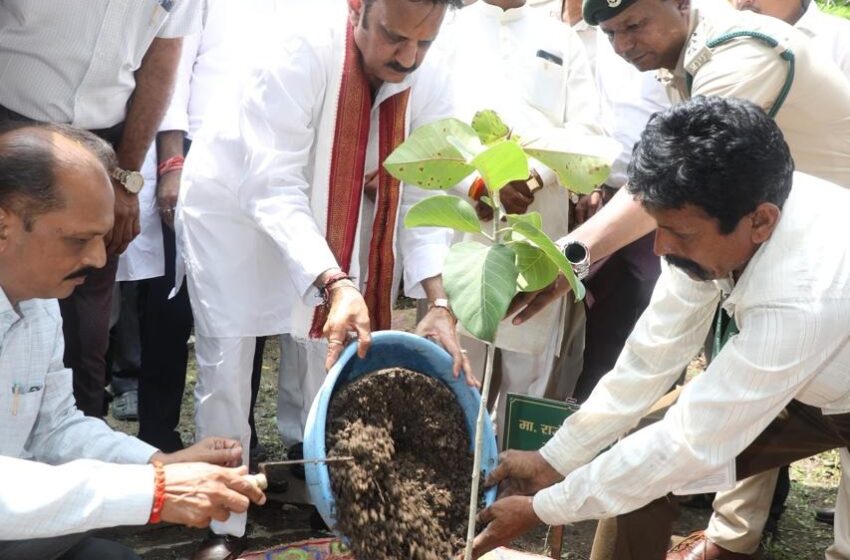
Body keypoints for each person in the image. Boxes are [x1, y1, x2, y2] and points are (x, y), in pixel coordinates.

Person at [470, 95, 850, 560]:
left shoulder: (804, 295)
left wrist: (542, 509)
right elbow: (652, 355)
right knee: (640, 469)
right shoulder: (708, 218)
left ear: (761, 222)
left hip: (827, 368)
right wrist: (555, 459)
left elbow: (687, 443)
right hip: (808, 382)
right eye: (658, 224)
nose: (659, 247)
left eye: (680, 234)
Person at [176, 0, 470, 557]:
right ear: (360, 8)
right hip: (235, 213)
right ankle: (222, 520)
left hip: (334, 213)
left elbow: (425, 190)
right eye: (393, 38)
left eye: (423, 44)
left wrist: (437, 298)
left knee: (326, 348)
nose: (408, 58)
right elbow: (272, 185)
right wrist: (336, 280)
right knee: (229, 365)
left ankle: (319, 481)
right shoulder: (299, 48)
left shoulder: (433, 69)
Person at [0, 123, 265, 560]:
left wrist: (159, 464)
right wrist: (155, 491)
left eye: (101, 239)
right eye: (79, 239)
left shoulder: (38, 300)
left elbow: (56, 427)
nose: (99, 258)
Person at [0, 0, 200, 419]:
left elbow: (162, 60)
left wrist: (126, 177)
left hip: (107, 149)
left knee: (86, 337)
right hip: (10, 125)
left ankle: (77, 454)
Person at [438, 0, 602, 431]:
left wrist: (533, 178)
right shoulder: (448, 30)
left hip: (539, 224)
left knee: (527, 373)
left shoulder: (561, 40)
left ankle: (505, 484)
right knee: (455, 369)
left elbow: (590, 134)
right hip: (465, 229)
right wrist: (477, 184)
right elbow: (429, 130)